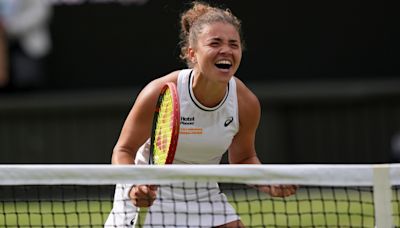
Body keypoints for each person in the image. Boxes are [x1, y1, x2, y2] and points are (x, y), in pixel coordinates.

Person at [105, 1, 298, 227]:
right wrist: (133, 187)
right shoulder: (161, 92)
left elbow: (244, 158)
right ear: (192, 53)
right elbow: (124, 150)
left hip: (202, 193)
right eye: (215, 43)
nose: (226, 50)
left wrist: (268, 183)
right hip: (150, 193)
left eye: (233, 44)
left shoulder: (245, 103)